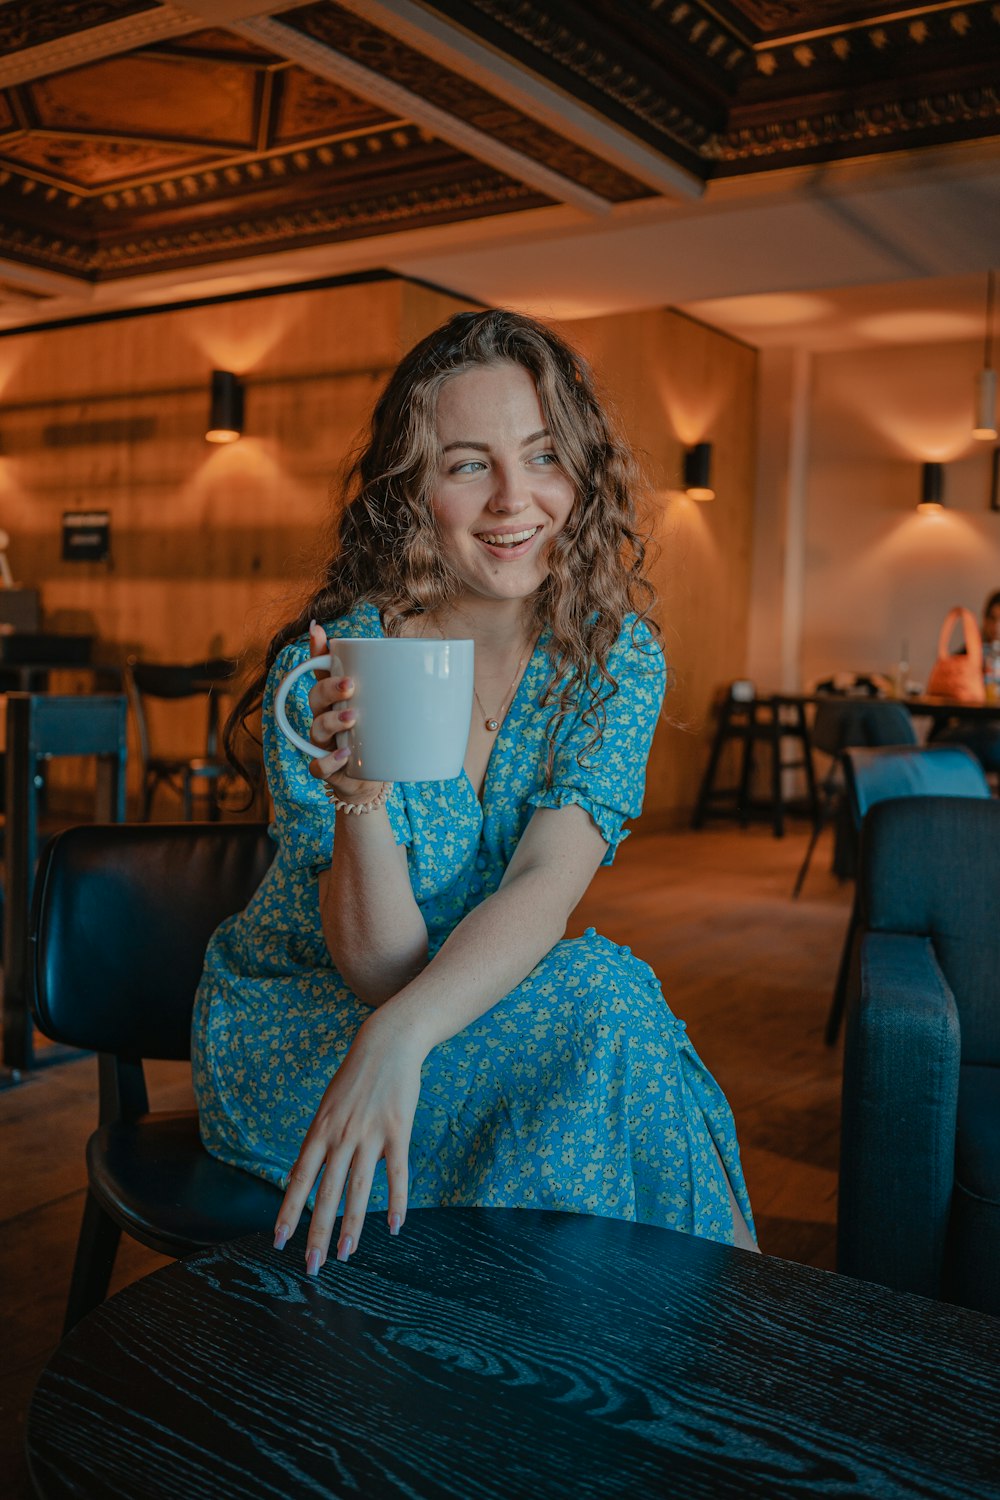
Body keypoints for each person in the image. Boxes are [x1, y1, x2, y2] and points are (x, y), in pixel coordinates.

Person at [192, 308, 757, 1276]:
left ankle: (536, 1361)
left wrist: (404, 1031)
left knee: (599, 1010)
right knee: (605, 1027)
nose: (512, 499)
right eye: (466, 464)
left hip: (446, 1019)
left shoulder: (616, 661)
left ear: (581, 474)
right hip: (310, 1031)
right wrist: (359, 796)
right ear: (412, 492)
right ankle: (715, 1347)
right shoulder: (337, 664)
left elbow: (545, 883)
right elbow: (375, 973)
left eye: (542, 455)